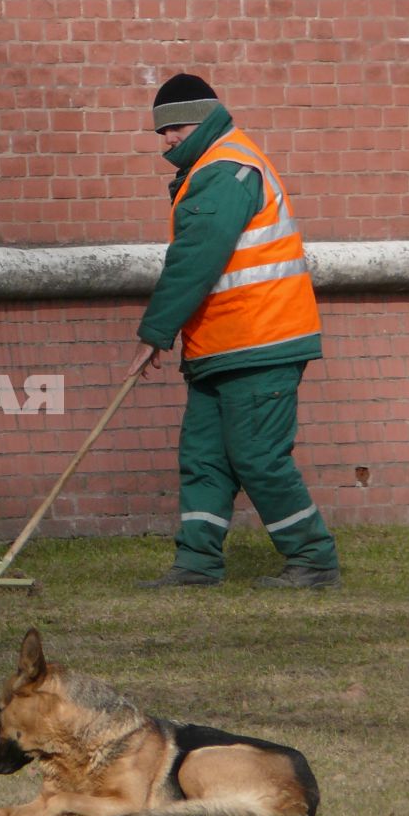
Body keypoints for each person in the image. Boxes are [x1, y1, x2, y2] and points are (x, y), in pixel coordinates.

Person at [129, 73, 342, 590]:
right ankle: (197, 564)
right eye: (161, 132)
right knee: (203, 458)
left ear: (200, 121)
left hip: (259, 341)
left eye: (173, 128)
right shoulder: (217, 164)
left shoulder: (223, 169)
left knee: (257, 458)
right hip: (224, 346)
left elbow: (195, 260)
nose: (166, 141)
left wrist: (155, 332)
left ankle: (313, 559)